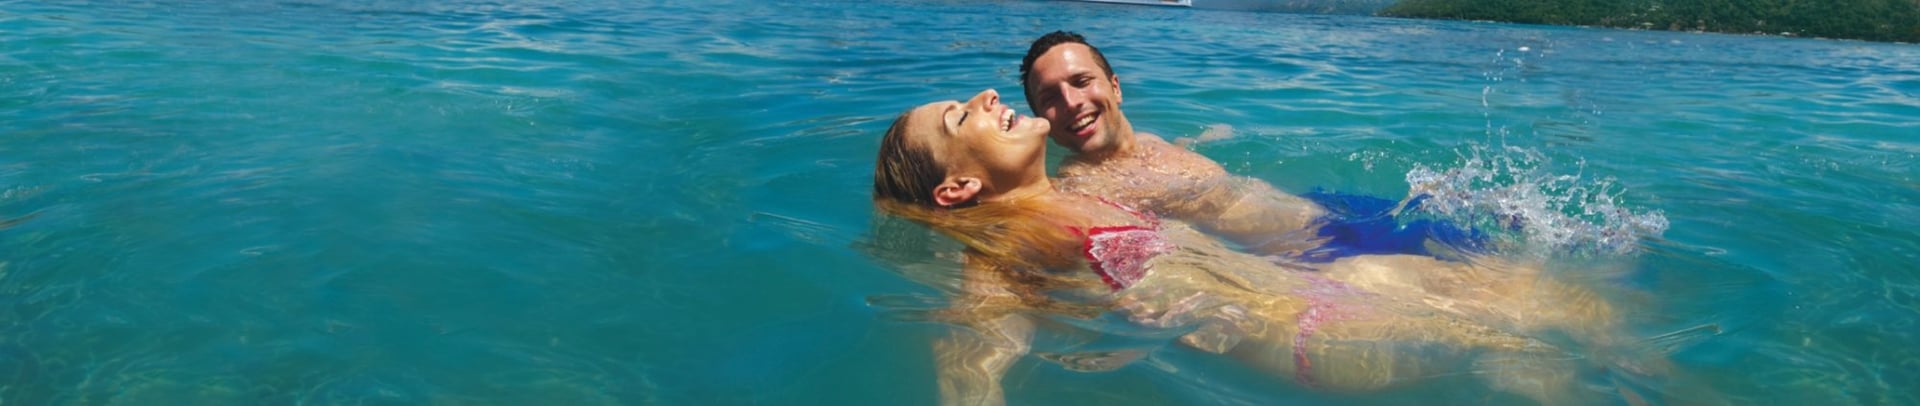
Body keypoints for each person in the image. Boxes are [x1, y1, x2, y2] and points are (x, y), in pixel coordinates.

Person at [873, 89, 1633, 405]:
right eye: (956, 119)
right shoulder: (1005, 247)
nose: (984, 99)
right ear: (956, 191)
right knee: (1556, 344)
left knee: (1580, 305)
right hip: (1310, 331)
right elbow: (975, 359)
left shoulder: (1075, 196)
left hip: (1320, 294)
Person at [1019, 30, 1329, 257]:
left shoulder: (1150, 142)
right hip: (1304, 253)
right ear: (1041, 123)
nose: (1071, 102)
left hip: (1323, 211)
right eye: (1050, 98)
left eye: (1081, 82)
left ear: (1116, 88)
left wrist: (1203, 138)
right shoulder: (1081, 189)